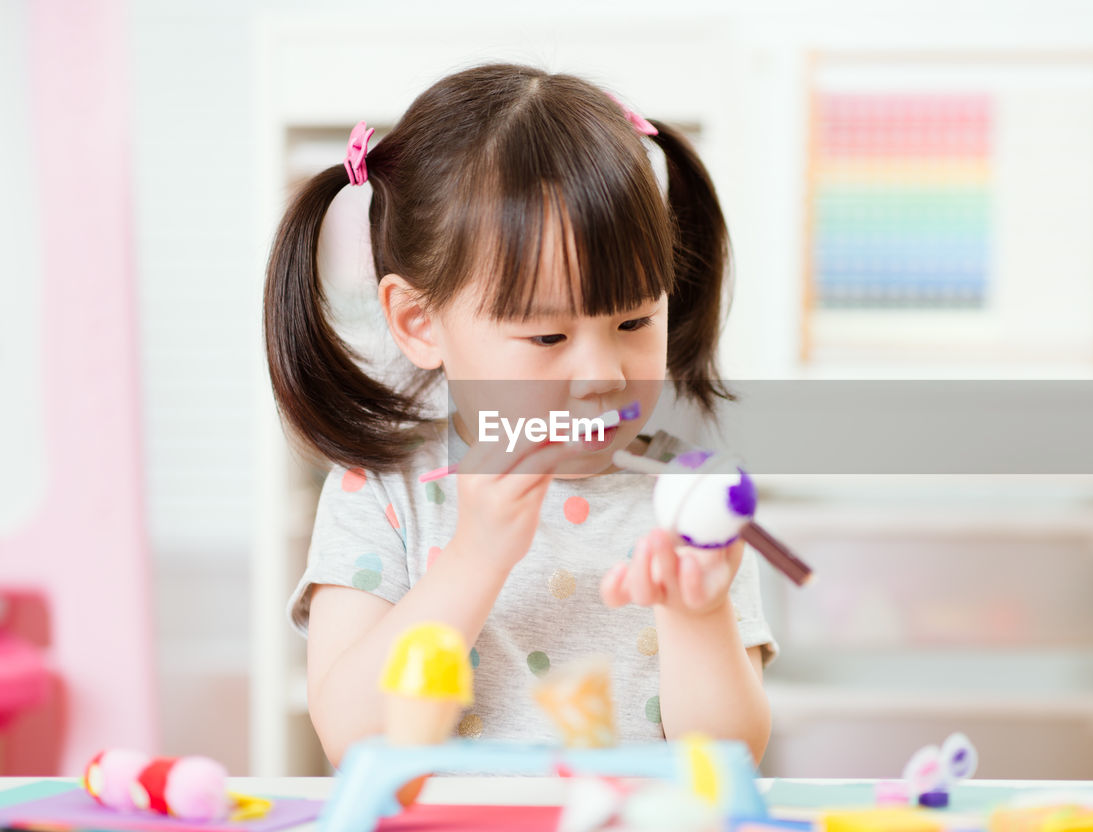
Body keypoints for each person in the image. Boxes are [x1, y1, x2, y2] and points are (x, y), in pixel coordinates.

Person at [263, 63, 776, 768]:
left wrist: (698, 611)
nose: (602, 374)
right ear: (418, 321)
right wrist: (476, 554)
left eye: (633, 321)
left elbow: (729, 758)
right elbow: (356, 739)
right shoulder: (381, 490)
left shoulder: (687, 495)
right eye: (547, 337)